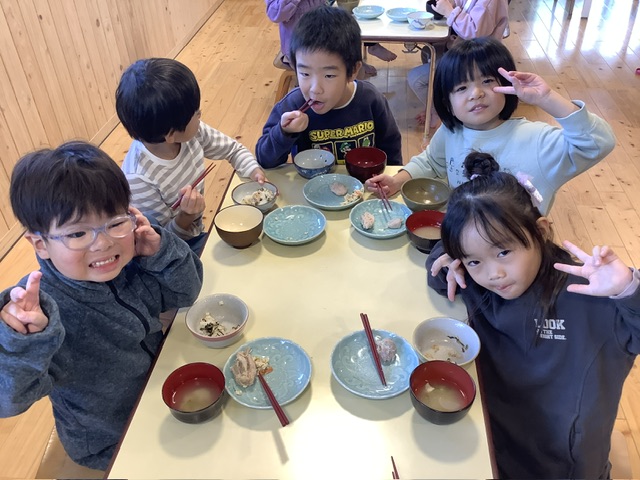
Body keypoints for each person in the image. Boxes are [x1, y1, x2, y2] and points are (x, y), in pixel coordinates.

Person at [426, 152, 640, 479]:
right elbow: (439, 267)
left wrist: (628, 289)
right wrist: (446, 260)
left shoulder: (592, 297)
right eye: (474, 261)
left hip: (564, 467)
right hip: (491, 445)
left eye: (503, 251)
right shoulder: (476, 282)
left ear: (540, 231)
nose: (494, 274)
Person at [0, 141, 203, 471]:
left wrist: (163, 252)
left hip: (157, 388)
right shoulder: (42, 311)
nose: (104, 243)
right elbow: (8, 400)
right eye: (77, 234)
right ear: (40, 244)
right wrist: (21, 343)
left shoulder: (131, 257)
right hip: (110, 438)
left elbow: (187, 294)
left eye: (115, 222)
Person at [366, 37, 615, 214]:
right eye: (461, 88)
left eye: (487, 81)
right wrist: (399, 179)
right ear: (446, 101)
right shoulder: (453, 132)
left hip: (519, 255)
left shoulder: (536, 140)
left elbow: (597, 143)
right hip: (466, 241)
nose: (476, 93)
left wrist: (548, 99)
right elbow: (431, 162)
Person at [116, 58, 266, 254]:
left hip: (194, 233)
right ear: (170, 135)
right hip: (171, 254)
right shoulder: (138, 178)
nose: (200, 114)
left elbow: (233, 150)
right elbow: (159, 244)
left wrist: (254, 170)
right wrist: (186, 216)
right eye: (195, 113)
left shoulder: (192, 132)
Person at [256, 5, 403, 168]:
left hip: (363, 182)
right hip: (310, 183)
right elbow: (265, 160)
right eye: (305, 73)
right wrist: (284, 132)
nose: (315, 89)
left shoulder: (371, 99)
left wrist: (392, 177)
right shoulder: (293, 104)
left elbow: (392, 151)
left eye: (329, 76)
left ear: (353, 71)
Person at [407, 0, 509, 125]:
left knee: (416, 78)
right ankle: (439, 100)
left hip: (478, 59)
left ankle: (439, 111)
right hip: (464, 49)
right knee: (428, 51)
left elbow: (474, 33)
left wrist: (449, 11)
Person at [265, 0, 396, 76]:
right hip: (301, 47)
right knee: (351, 74)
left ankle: (364, 52)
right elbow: (275, 14)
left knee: (349, 26)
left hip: (324, 36)